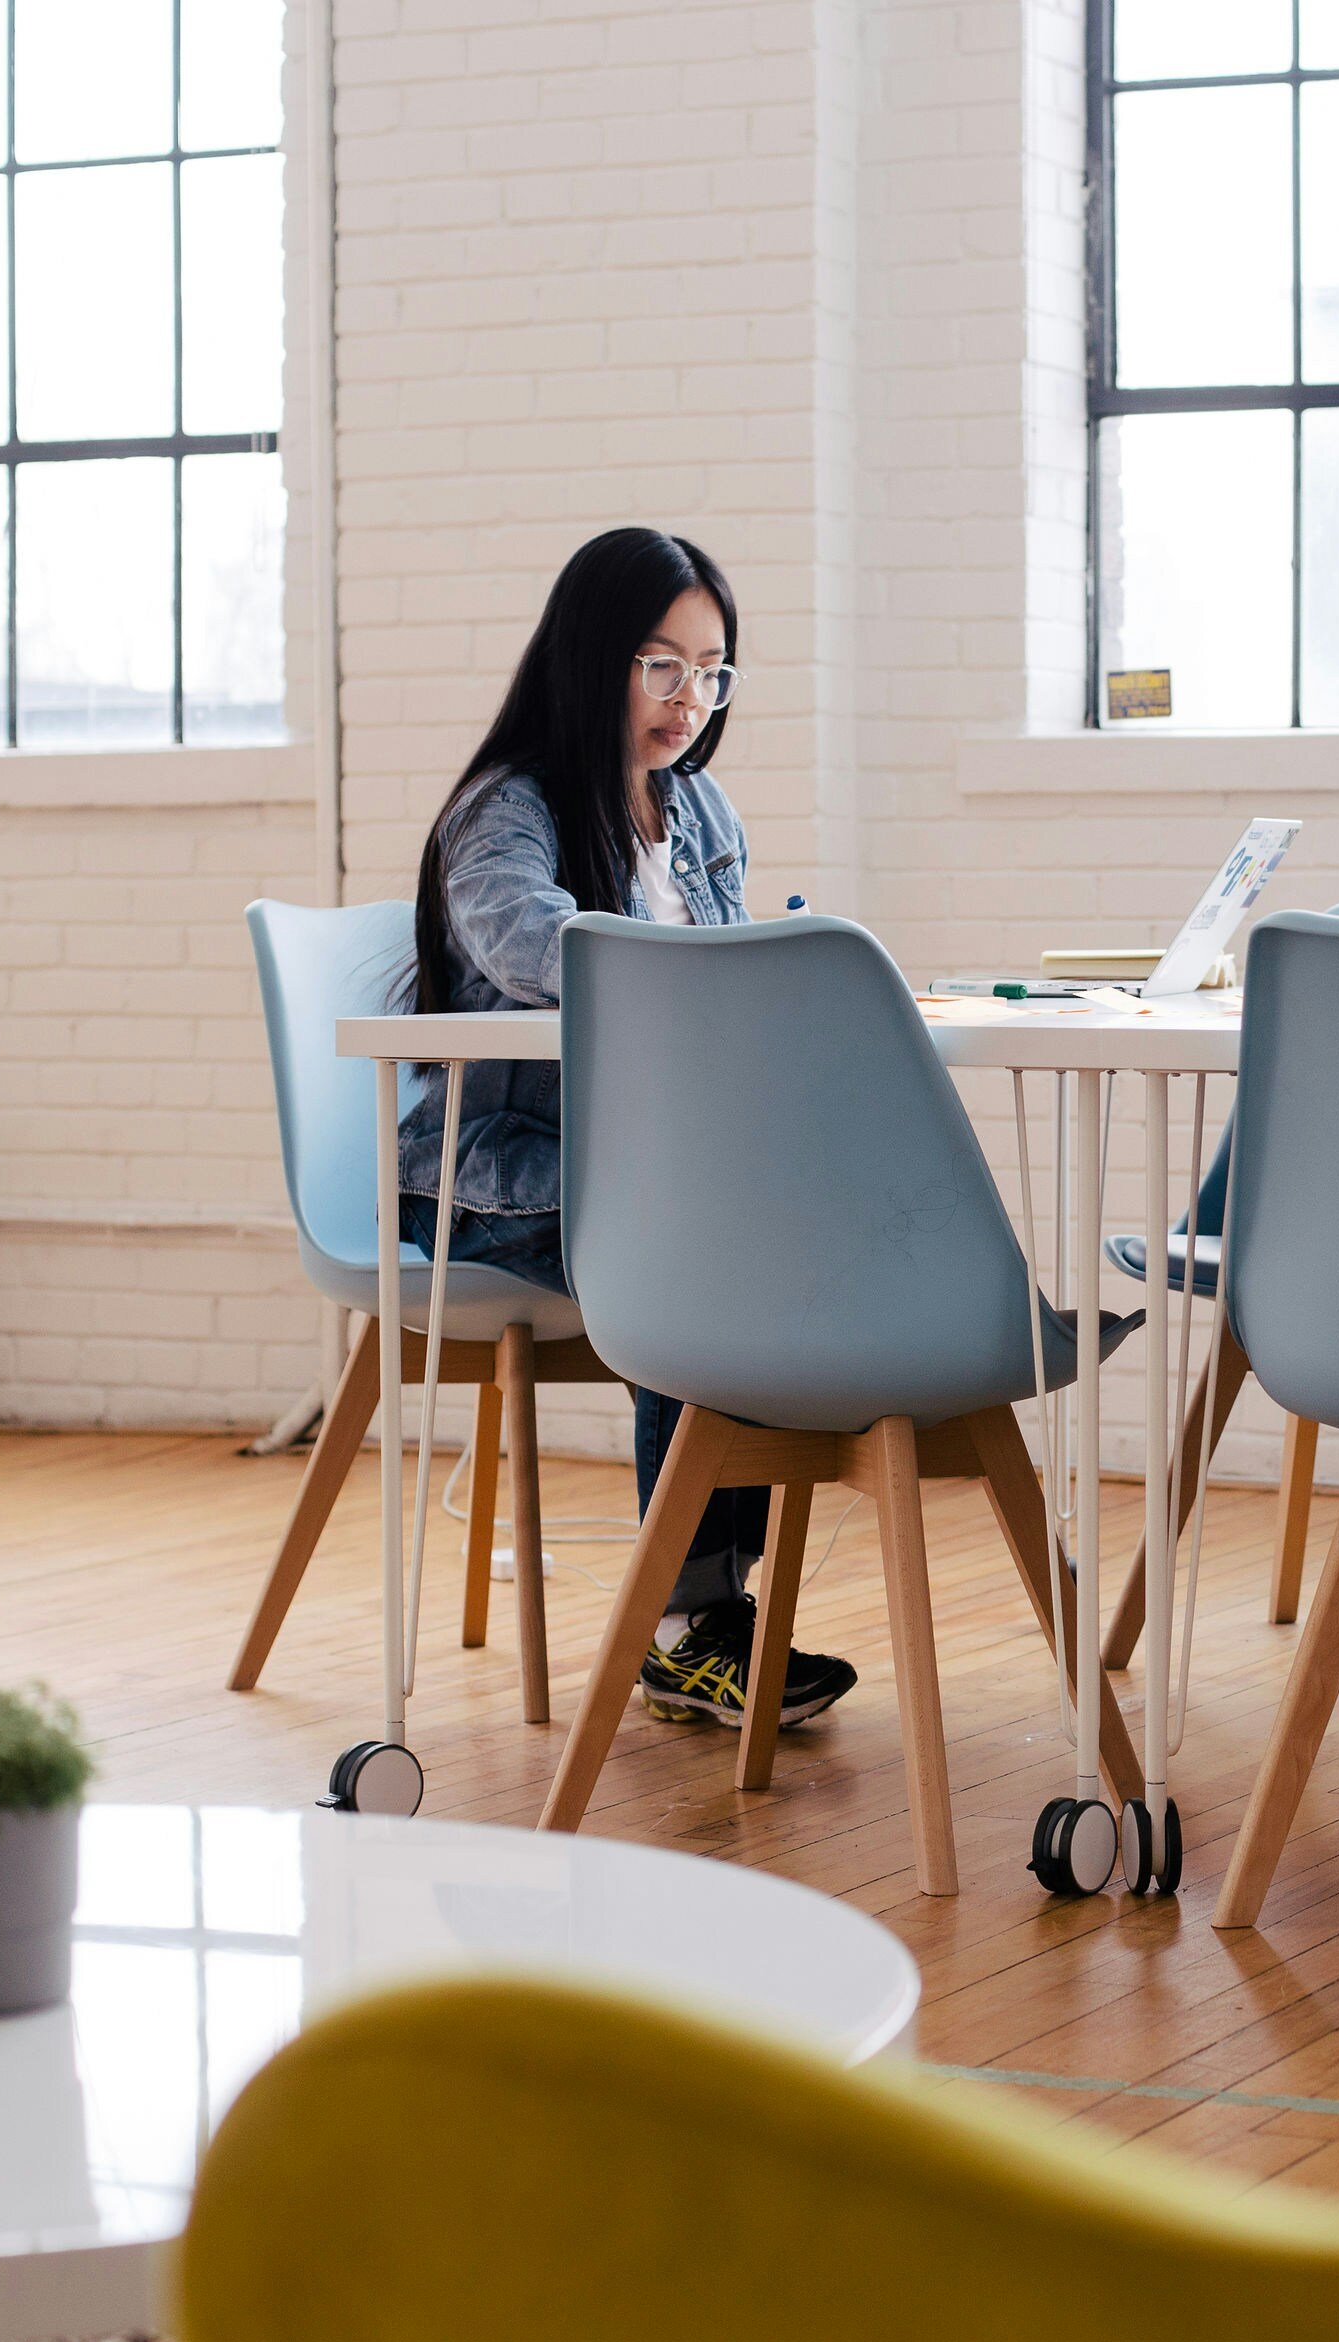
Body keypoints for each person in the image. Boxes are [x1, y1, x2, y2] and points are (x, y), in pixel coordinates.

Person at [395, 527, 859, 1733]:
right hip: (498, 1174)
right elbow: (525, 941)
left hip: (662, 1166)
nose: (689, 701)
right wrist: (714, 981)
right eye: (661, 666)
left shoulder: (699, 810)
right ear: (590, 657)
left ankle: (710, 1613)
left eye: (712, 672)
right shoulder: (509, 810)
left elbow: (732, 979)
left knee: (788, 1226)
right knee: (697, 1251)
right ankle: (688, 1625)